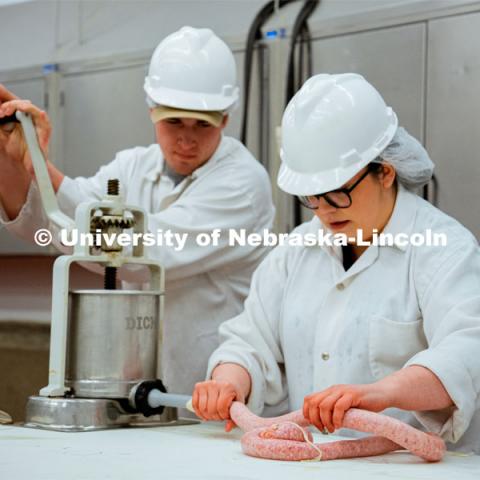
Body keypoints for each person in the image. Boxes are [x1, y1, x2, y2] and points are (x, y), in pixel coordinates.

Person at [192, 73, 480, 453]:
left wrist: (381, 393)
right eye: (312, 197)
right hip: (310, 463)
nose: (324, 211)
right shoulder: (297, 250)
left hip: (408, 470)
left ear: (386, 172)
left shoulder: (444, 249)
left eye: (337, 194)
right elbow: (249, 341)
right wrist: (228, 380)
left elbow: (465, 351)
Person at [0, 26, 275, 399]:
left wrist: (41, 168)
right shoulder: (132, 166)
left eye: (202, 125)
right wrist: (13, 157)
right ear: (151, 111)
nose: (186, 139)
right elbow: (54, 224)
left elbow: (141, 256)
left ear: (225, 119)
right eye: (174, 121)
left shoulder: (242, 183)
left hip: (217, 392)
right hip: (139, 387)